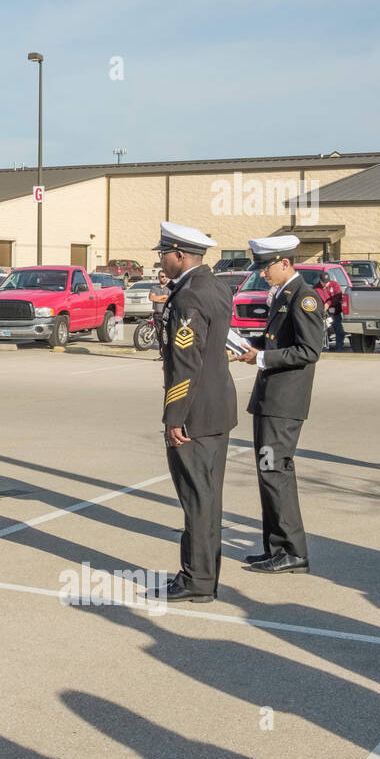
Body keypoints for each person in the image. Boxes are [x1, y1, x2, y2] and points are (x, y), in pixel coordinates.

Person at [150, 222, 238, 604]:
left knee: (196, 498)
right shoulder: (214, 285)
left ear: (180, 255)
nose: (161, 261)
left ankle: (197, 579)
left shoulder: (188, 297)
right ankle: (205, 575)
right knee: (208, 497)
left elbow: (186, 363)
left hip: (195, 413)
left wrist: (174, 417)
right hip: (218, 406)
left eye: (163, 254)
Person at [234, 235, 325, 574]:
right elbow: (275, 340)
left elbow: (308, 350)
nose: (262, 274)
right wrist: (248, 345)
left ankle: (292, 551)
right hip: (270, 399)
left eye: (266, 267)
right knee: (268, 472)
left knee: (275, 472)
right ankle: (275, 547)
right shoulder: (282, 295)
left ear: (285, 263)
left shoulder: (304, 298)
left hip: (283, 403)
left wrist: (262, 358)